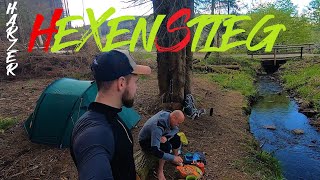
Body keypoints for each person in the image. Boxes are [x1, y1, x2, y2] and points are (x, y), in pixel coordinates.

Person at [70, 49, 151, 180]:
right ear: (121, 83)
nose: (137, 88)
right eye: (135, 82)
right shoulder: (95, 134)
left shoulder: (106, 117)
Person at [138, 110, 185, 180]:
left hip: (159, 134)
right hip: (146, 141)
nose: (178, 125)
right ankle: (160, 171)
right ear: (174, 117)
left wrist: (166, 137)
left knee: (177, 138)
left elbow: (176, 130)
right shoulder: (158, 126)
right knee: (166, 147)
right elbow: (155, 150)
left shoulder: (169, 115)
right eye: (178, 123)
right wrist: (172, 157)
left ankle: (175, 157)